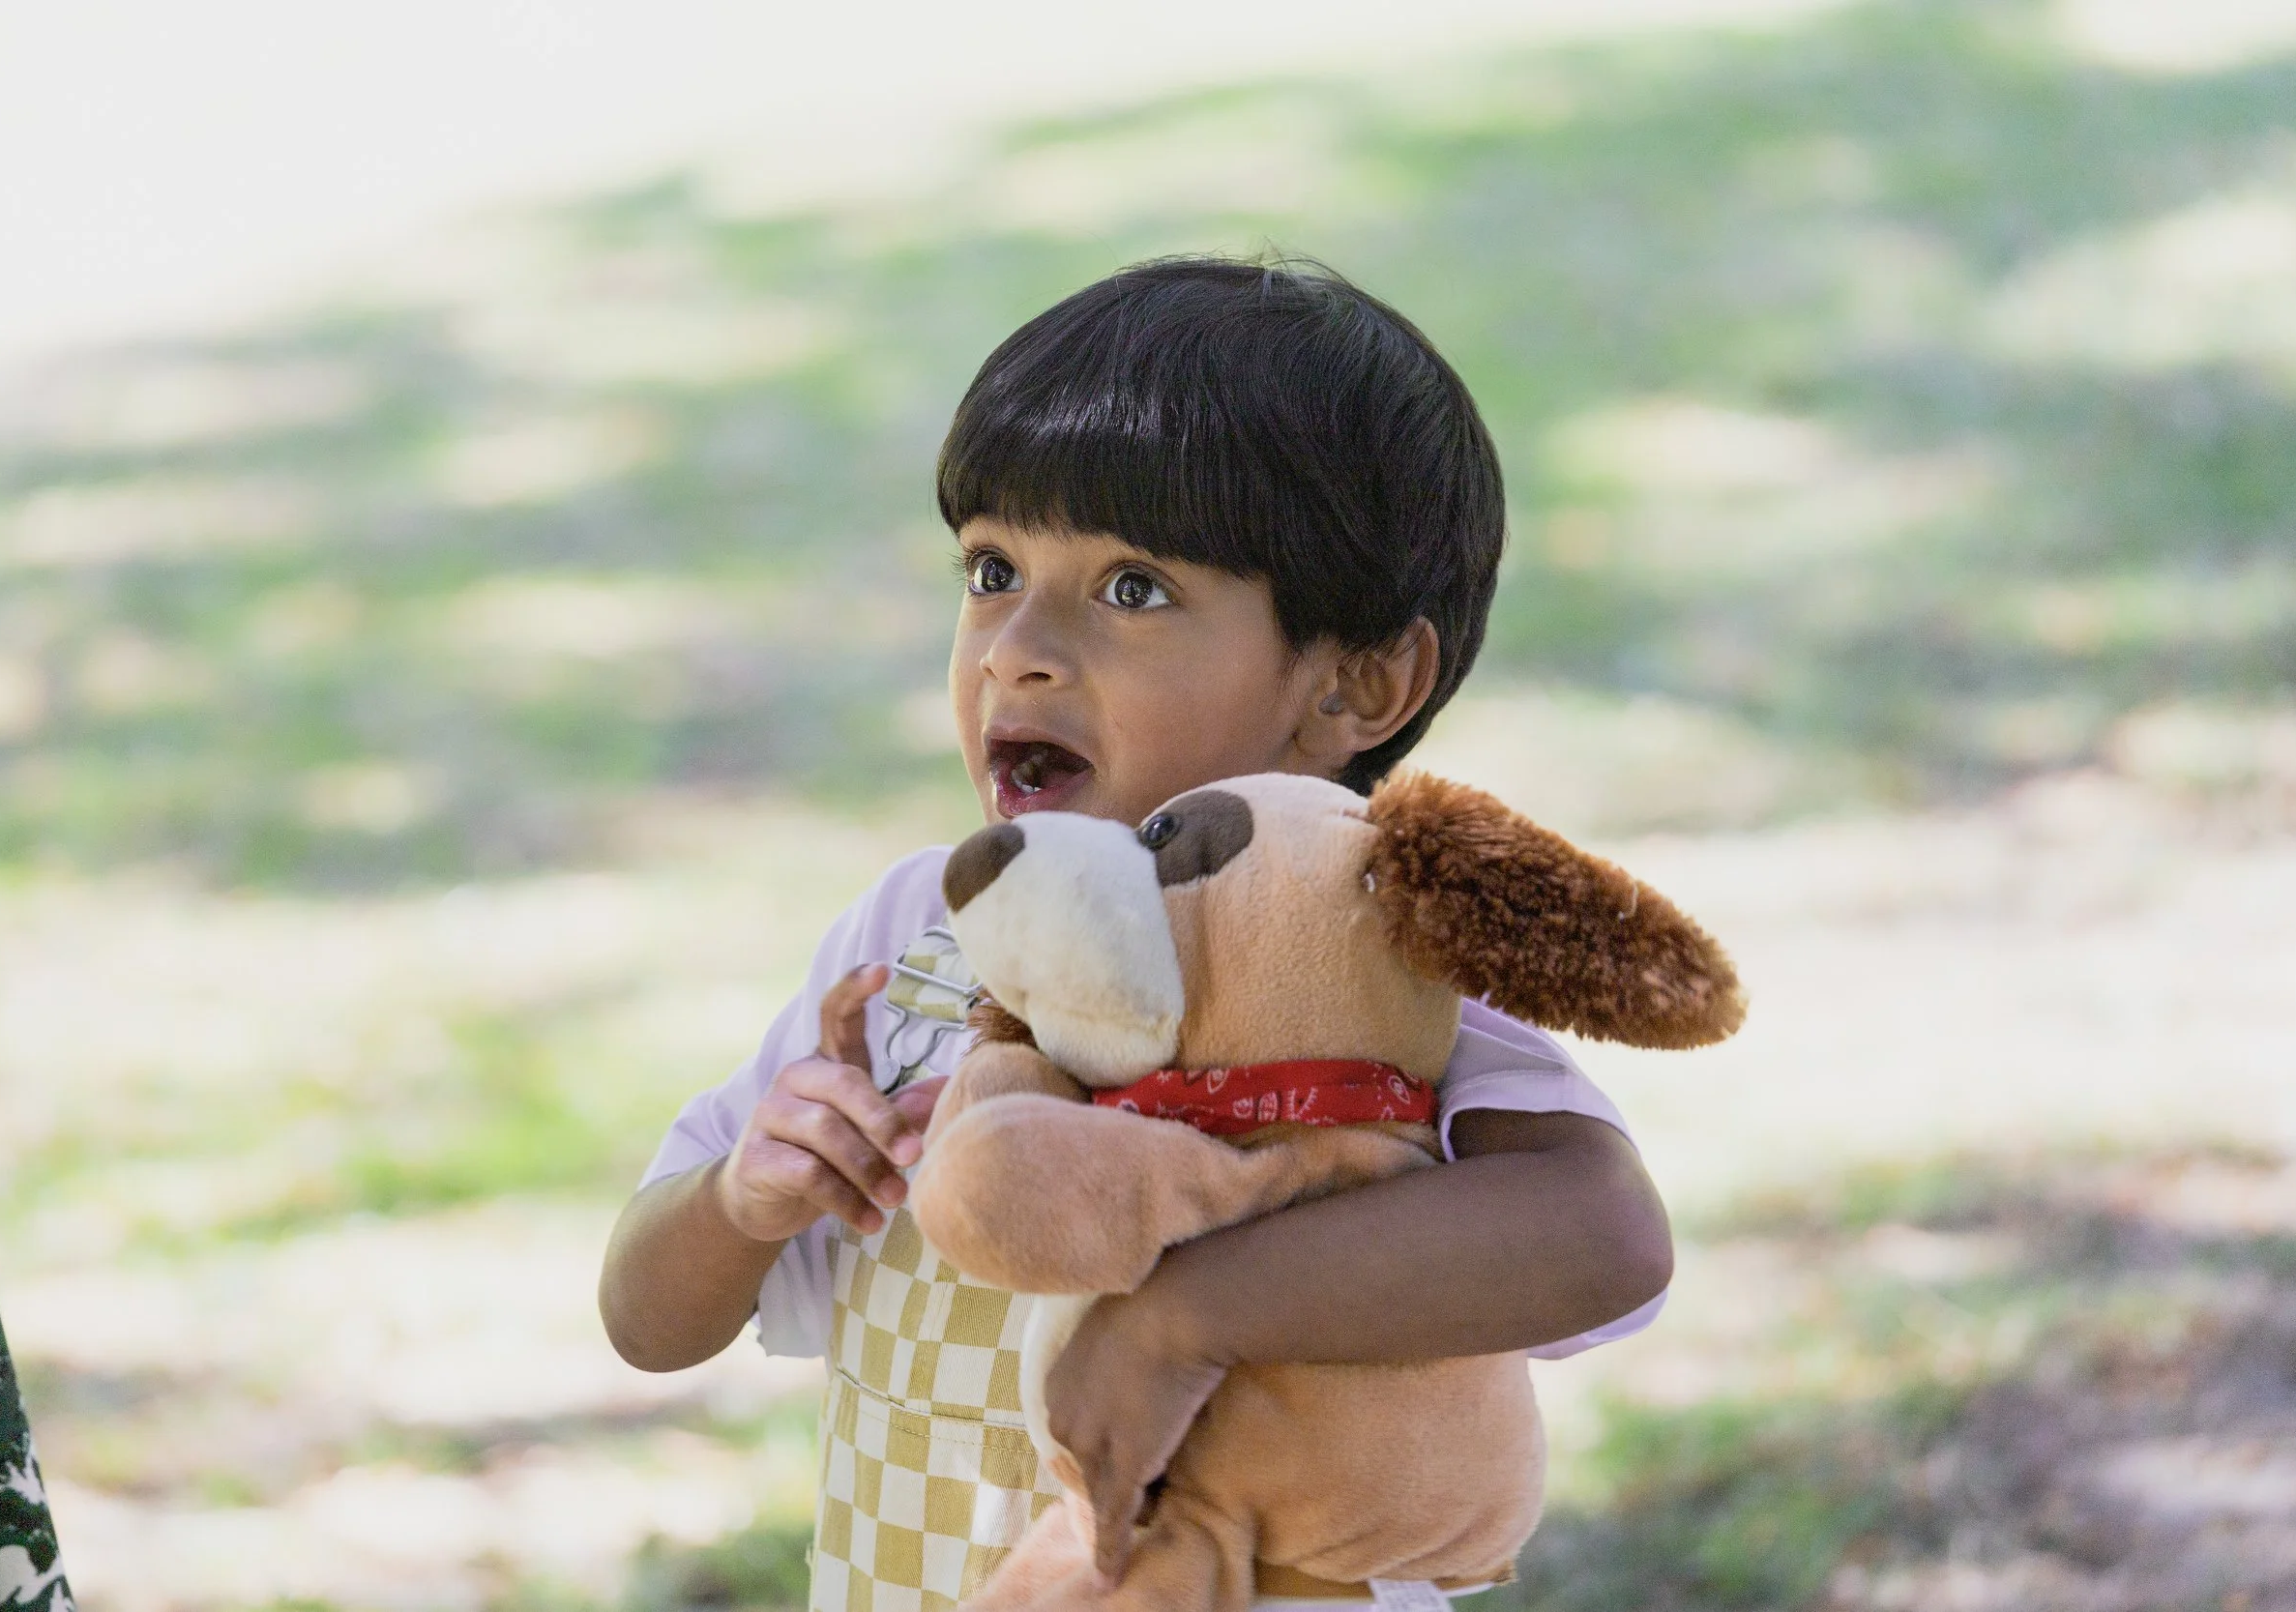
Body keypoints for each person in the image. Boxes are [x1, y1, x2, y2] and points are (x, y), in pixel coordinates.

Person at [599, 256, 1675, 1611]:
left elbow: (1606, 1236)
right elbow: (646, 1318)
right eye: (993, 569)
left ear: (1358, 681)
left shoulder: (1366, 962)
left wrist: (1188, 1315)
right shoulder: (912, 936)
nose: (1019, 650)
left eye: (1133, 589)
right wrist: (745, 1196)